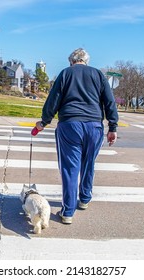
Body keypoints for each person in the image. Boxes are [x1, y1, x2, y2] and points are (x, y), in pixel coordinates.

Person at [33, 48, 119, 224]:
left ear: (71, 61)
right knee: (89, 164)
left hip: (70, 124)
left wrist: (44, 122)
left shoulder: (66, 73)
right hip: (94, 126)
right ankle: (85, 199)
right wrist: (112, 127)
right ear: (86, 60)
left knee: (70, 169)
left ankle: (68, 212)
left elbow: (53, 100)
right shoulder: (98, 75)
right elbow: (109, 101)